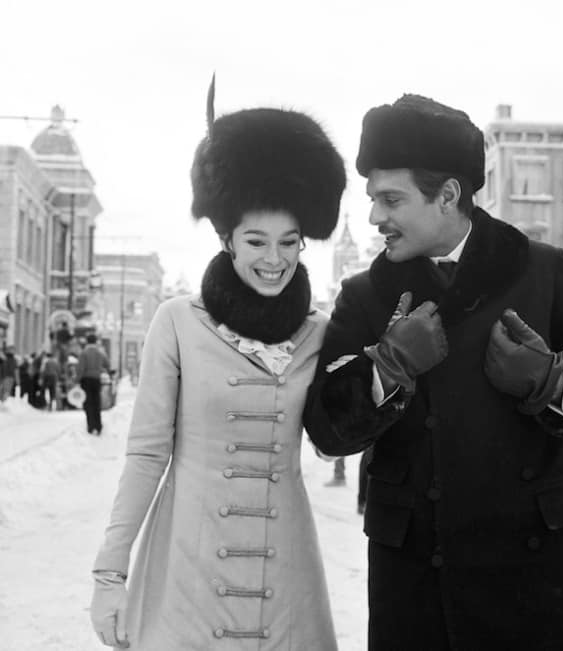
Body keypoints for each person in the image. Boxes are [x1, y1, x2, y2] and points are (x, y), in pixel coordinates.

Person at [304, 94, 563, 650]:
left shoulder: (542, 269)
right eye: (373, 199)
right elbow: (326, 428)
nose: (374, 217)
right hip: (418, 581)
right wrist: (386, 368)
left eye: (391, 199)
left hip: (540, 575)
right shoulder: (365, 294)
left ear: (449, 196)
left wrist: (550, 382)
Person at [90, 79, 346, 650]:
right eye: (257, 241)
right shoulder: (178, 321)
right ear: (227, 238)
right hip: (189, 562)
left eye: (290, 241)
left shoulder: (318, 332)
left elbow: (334, 440)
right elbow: (146, 453)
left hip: (285, 573)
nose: (274, 259)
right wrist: (110, 571)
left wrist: (386, 378)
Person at [77, 334, 110, 434]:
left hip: (86, 380)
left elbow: (81, 368)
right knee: (96, 402)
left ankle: (91, 426)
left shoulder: (84, 353)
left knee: (88, 403)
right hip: (97, 380)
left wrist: (77, 380)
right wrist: (101, 370)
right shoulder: (100, 353)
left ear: (87, 341)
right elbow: (107, 364)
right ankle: (98, 426)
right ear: (95, 341)